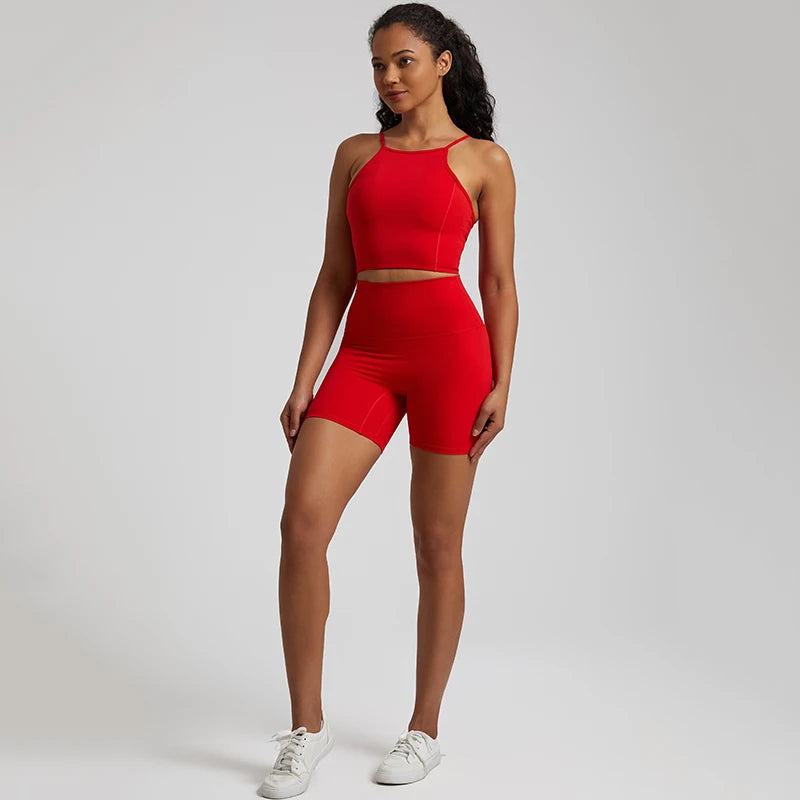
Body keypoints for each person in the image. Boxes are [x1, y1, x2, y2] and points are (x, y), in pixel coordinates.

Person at [258, 4, 517, 797]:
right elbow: (334, 275)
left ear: (443, 62)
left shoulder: (484, 161)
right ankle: (306, 728)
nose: (389, 77)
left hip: (451, 359)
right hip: (364, 357)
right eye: (378, 64)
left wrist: (503, 381)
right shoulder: (355, 155)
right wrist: (305, 378)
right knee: (302, 525)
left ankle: (423, 729)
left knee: (436, 545)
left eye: (403, 60)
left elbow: (497, 281)